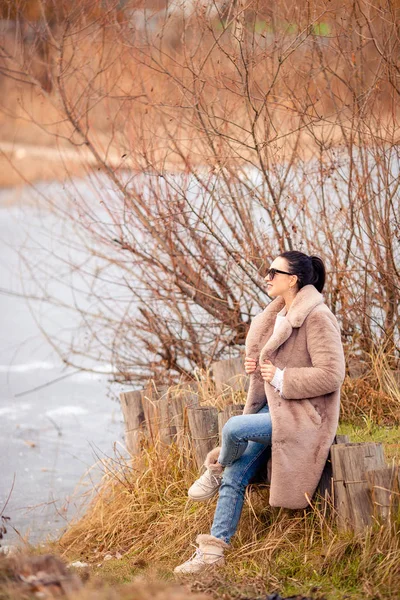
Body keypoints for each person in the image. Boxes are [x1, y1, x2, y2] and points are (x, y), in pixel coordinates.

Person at [174, 250, 346, 575]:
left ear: (293, 279)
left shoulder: (318, 316)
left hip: (304, 417)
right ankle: (212, 554)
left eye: (273, 272)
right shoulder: (280, 313)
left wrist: (281, 377)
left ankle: (215, 468)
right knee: (236, 477)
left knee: (233, 429)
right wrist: (256, 368)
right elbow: (274, 364)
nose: (267, 277)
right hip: (273, 408)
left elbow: (332, 374)